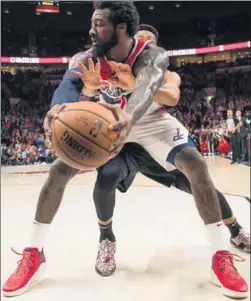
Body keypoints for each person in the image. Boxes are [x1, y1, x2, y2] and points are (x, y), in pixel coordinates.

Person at [2, 4, 248, 299]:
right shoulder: (88, 57)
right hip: (107, 120)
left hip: (149, 121)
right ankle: (34, 252)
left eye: (98, 23)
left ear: (120, 28)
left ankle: (220, 255)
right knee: (59, 170)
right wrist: (58, 107)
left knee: (194, 163)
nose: (91, 30)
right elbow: (69, 83)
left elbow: (147, 85)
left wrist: (129, 115)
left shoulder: (152, 55)